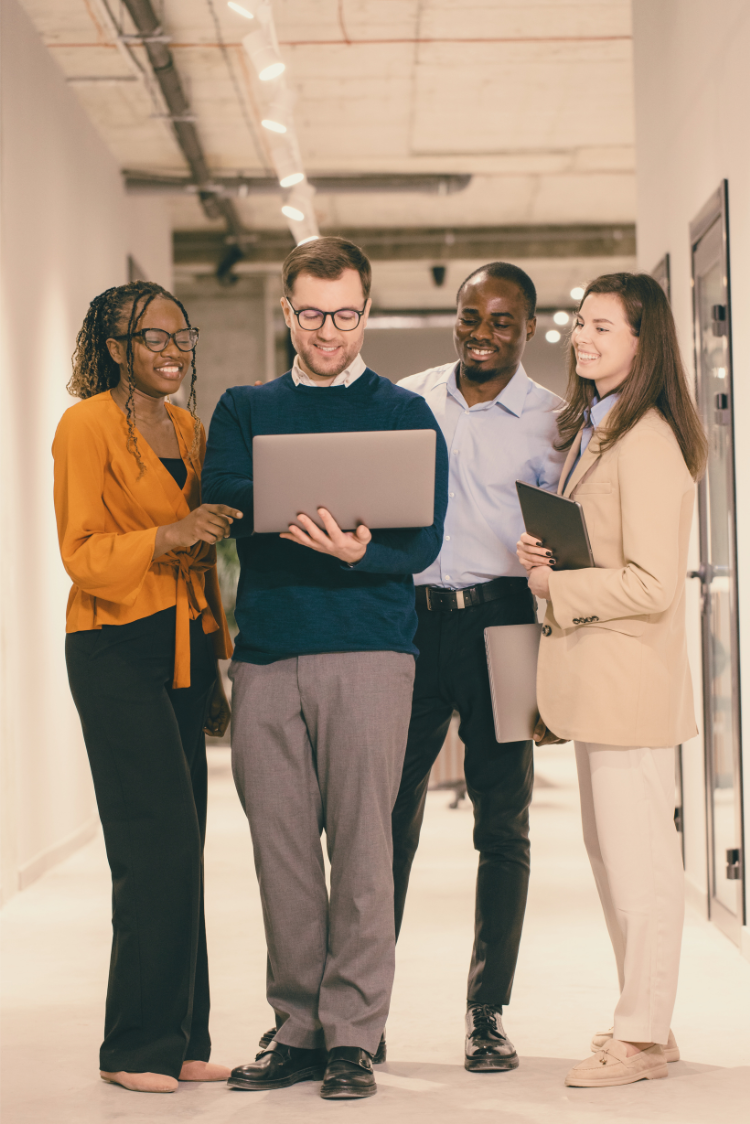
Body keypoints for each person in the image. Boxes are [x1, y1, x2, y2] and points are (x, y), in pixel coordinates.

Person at [201, 237, 449, 1100]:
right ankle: (297, 1029)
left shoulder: (403, 415)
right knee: (282, 854)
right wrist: (330, 526)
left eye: (344, 314)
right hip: (268, 654)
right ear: (287, 312)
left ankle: (353, 1036)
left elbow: (424, 536)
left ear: (366, 312)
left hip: (371, 653)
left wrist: (358, 550)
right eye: (312, 314)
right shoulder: (244, 405)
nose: (328, 330)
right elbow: (227, 496)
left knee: (362, 846)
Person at [517, 272, 707, 1088]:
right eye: (579, 324)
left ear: (642, 340)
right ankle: (647, 1028)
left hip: (629, 685)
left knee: (641, 870)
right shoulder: (600, 429)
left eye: (601, 327)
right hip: (600, 681)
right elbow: (605, 551)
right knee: (612, 858)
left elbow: (656, 584)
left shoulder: (650, 438)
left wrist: (563, 587)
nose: (582, 339)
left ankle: (641, 1036)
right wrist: (546, 560)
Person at [54, 281, 238, 1094]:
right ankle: (132, 1046)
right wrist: (165, 533)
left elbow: (201, 557)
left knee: (185, 844)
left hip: (184, 644)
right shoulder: (85, 425)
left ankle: (183, 1038)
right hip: (113, 643)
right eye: (151, 338)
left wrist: (217, 664)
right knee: (150, 845)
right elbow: (82, 551)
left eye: (180, 335)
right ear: (116, 348)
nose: (171, 350)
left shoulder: (190, 428)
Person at [393, 263, 565, 1072]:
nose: (483, 333)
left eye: (503, 321)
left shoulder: (555, 425)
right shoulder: (408, 398)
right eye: (472, 316)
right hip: (415, 624)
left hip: (506, 622)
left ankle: (487, 1014)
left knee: (504, 826)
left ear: (528, 329)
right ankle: (363, 1010)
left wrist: (554, 565)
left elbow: (571, 544)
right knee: (385, 821)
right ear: (456, 318)